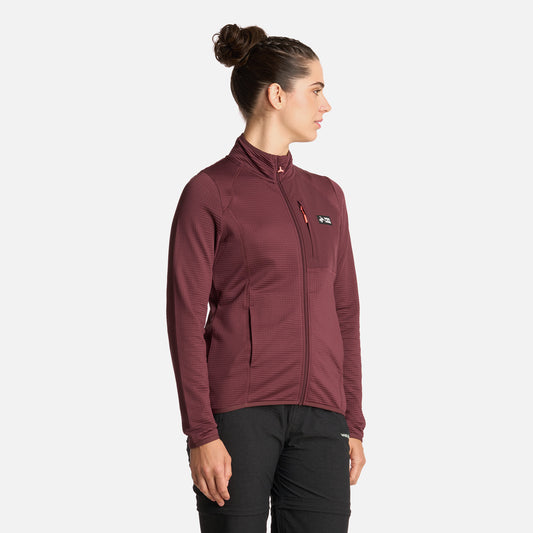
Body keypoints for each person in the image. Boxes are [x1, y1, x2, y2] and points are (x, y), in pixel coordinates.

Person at [166, 23, 366, 533]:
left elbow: (344, 311)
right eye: (315, 90)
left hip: (322, 418)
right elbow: (185, 320)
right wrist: (201, 433)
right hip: (238, 416)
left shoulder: (327, 195)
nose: (326, 105)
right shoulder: (210, 191)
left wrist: (352, 421)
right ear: (277, 95)